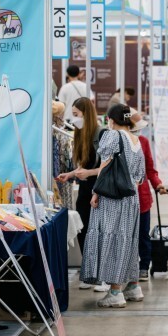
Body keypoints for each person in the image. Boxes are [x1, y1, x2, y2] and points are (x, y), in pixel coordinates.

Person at [81, 104, 146, 308]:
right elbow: (141, 177)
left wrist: (96, 192)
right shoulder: (137, 140)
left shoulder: (112, 136)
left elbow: (105, 166)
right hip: (131, 198)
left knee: (112, 237)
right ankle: (133, 286)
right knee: (128, 239)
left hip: (113, 198)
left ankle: (115, 291)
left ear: (111, 119)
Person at [56, 97, 105, 290]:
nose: (73, 119)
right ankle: (90, 273)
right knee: (84, 229)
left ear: (86, 113)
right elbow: (83, 164)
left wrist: (88, 173)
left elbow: (108, 166)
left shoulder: (101, 134)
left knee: (97, 232)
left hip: (100, 189)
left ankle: (103, 275)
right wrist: (71, 174)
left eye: (76, 115)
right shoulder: (80, 134)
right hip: (85, 189)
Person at [131, 117, 168, 283]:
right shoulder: (117, 142)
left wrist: (158, 184)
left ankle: (144, 265)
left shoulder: (143, 142)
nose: (138, 131)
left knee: (142, 233)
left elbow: (150, 168)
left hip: (142, 196)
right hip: (123, 196)